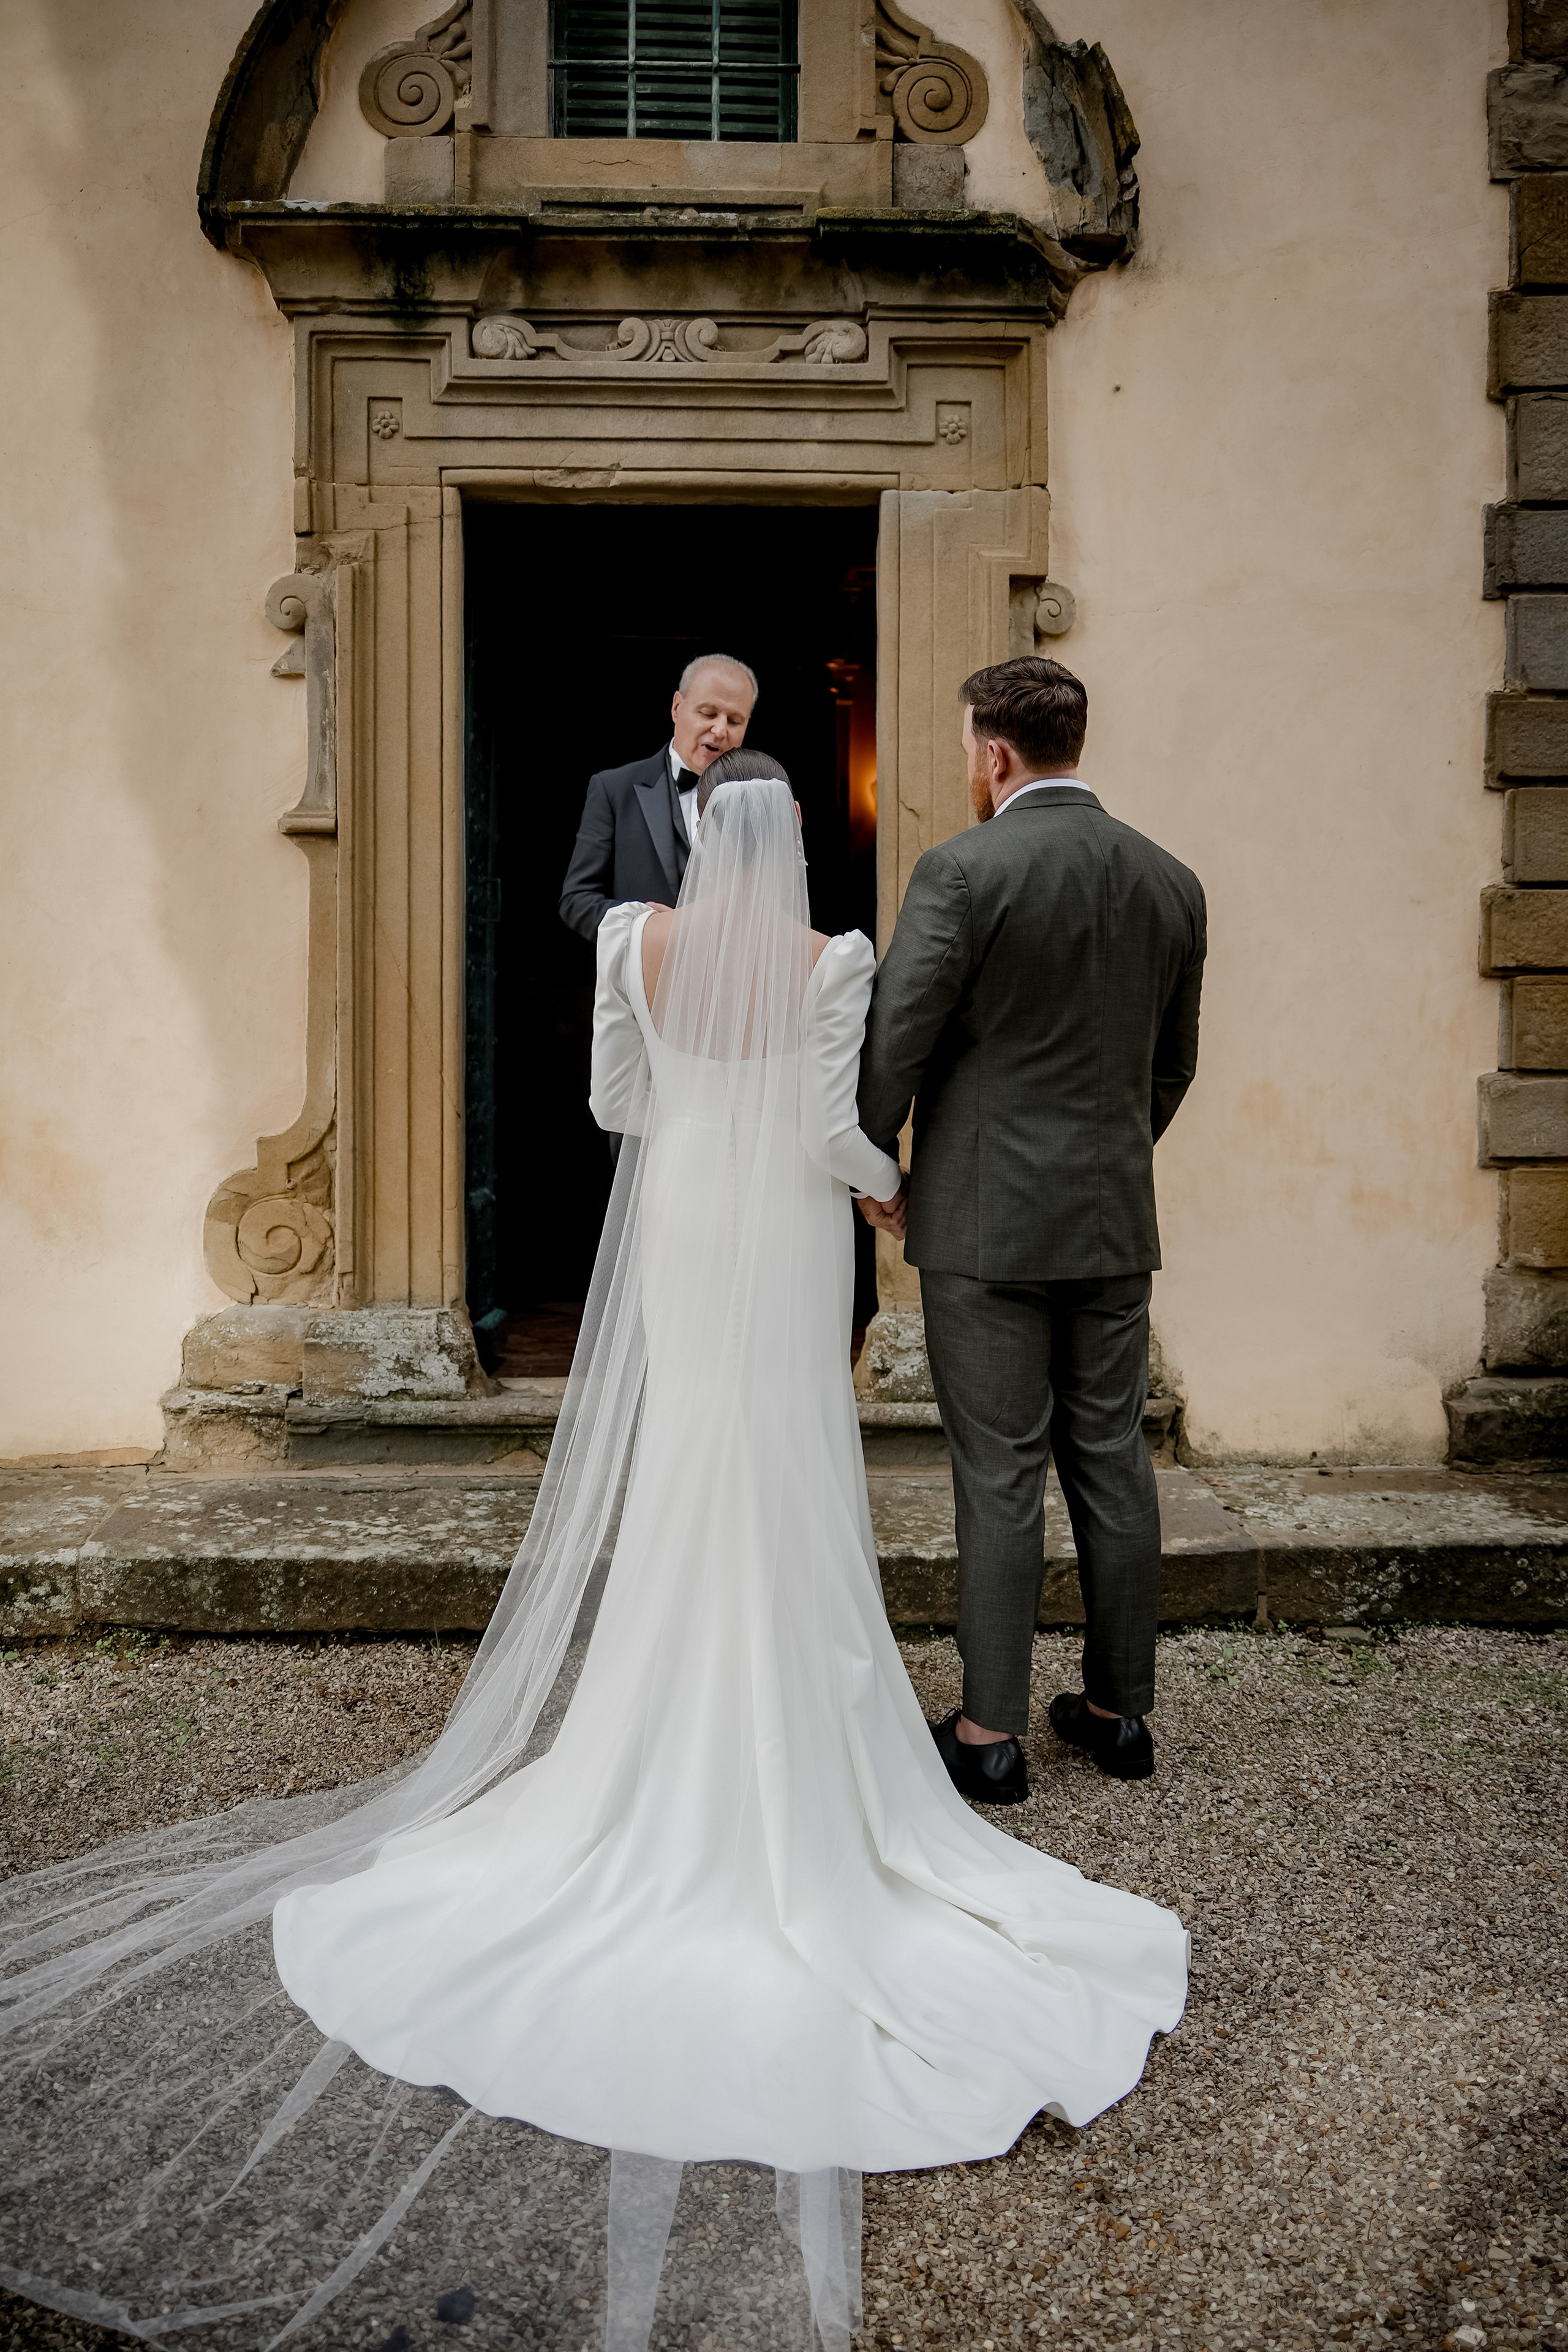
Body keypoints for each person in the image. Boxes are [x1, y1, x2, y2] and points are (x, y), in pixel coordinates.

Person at [0, 750, 1188, 2352]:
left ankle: (656, 1715)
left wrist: (702, 1108)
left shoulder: (633, 938)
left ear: (701, 838)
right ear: (793, 842)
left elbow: (615, 1103)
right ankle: (793, 1721)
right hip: (786, 1224)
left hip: (685, 1211)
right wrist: (888, 1191)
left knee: (689, 1457)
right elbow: (838, 1128)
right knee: (783, 1462)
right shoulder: (834, 958)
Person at [858, 656, 1207, 1801]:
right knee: (1112, 1455)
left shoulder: (962, 871)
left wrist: (878, 1167)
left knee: (1001, 1469)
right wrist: (1104, 1161)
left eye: (969, 745)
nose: (970, 762)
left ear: (995, 752)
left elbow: (897, 1039)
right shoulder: (1170, 880)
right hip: (1111, 1219)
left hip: (984, 1227)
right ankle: (1118, 1716)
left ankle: (990, 1735)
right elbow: (1171, 1067)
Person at [558, 652, 757, 941]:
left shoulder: (757, 800)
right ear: (677, 707)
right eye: (708, 713)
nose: (720, 730)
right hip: (645, 969)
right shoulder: (613, 789)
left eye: (735, 720)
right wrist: (647, 928)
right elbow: (576, 900)